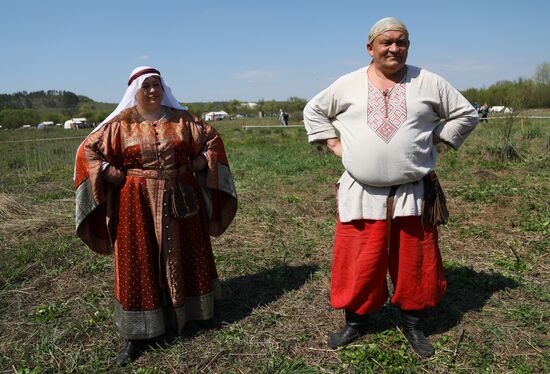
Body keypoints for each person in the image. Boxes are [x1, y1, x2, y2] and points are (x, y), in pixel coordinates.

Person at [303, 17, 479, 357]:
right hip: (361, 192)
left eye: (401, 42)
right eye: (386, 42)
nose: (394, 48)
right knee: (358, 260)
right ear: (371, 48)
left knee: (415, 260)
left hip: (413, 193)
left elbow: (466, 114)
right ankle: (356, 321)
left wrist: (439, 138)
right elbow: (314, 111)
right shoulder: (348, 84)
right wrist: (333, 143)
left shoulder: (428, 81)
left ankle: (413, 323)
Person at [74, 66, 238, 365]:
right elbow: (88, 150)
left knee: (190, 250)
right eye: (146, 85)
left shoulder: (183, 119)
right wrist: (109, 171)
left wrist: (200, 162)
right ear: (134, 90)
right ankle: (138, 335)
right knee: (138, 258)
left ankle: (198, 314)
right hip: (135, 201)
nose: (152, 90)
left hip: (181, 195)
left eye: (157, 85)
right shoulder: (119, 124)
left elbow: (211, 140)